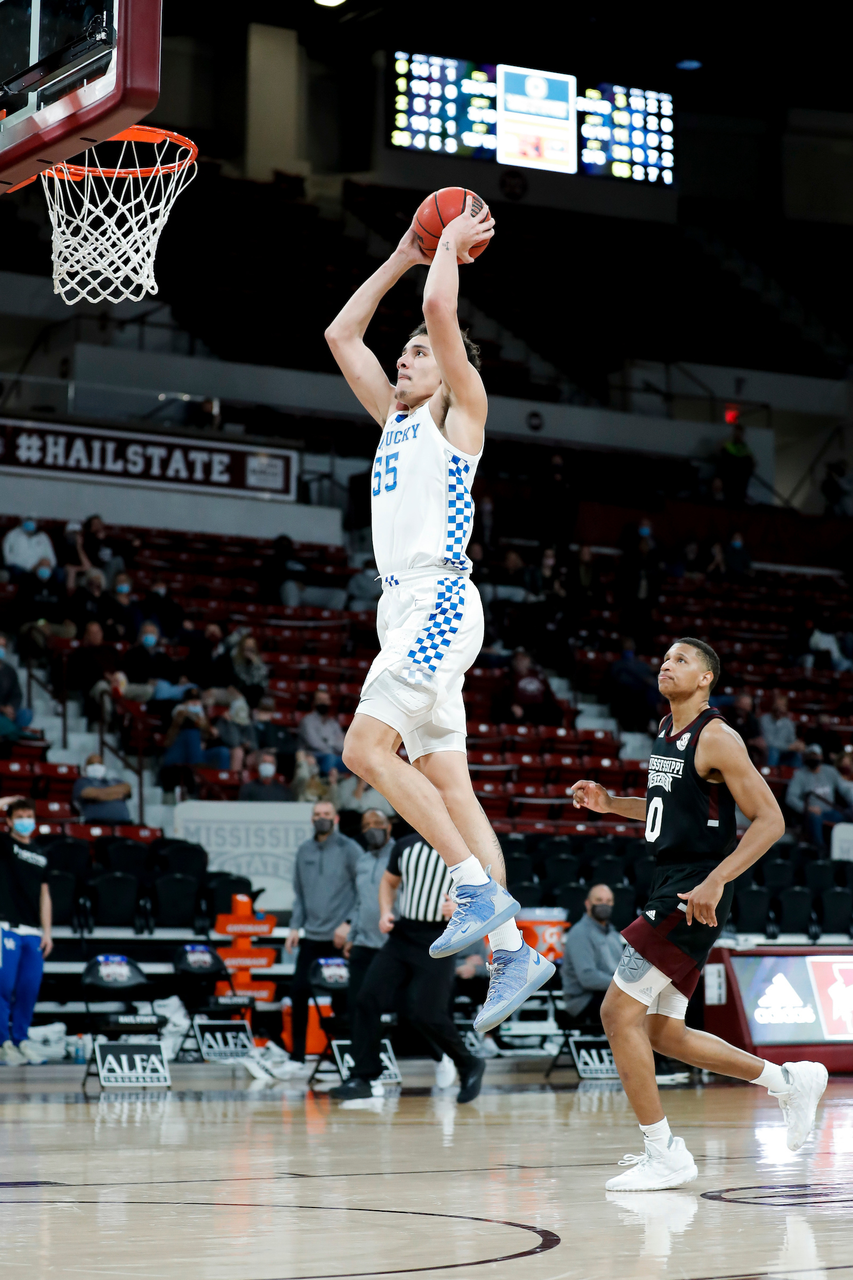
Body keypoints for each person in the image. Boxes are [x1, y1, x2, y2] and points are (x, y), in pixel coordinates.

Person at [325, 198, 553, 1035]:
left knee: (361, 749)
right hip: (407, 610)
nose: (407, 357)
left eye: (419, 354)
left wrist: (447, 250)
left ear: (450, 369)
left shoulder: (462, 414)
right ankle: (512, 953)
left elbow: (438, 311)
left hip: (438, 600)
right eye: (407, 356)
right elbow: (341, 338)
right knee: (452, 787)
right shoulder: (393, 422)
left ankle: (473, 890)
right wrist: (399, 256)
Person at [572, 637, 828, 1191]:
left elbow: (769, 820)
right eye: (663, 658)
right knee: (664, 1031)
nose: (667, 665)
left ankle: (663, 1152)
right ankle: (788, 1082)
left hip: (694, 889)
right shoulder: (666, 732)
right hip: (672, 880)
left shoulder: (718, 736)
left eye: (682, 660)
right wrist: (611, 804)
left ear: (707, 678)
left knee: (618, 1015)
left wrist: (715, 880)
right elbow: (671, 810)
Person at [330, 828, 486, 1104]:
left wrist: (461, 906)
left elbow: (489, 892)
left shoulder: (465, 848)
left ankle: (468, 1063)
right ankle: (363, 1076)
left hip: (440, 936)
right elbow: (388, 882)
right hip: (403, 935)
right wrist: (386, 910)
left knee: (427, 1013)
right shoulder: (404, 846)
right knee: (367, 999)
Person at [285, 800, 361, 1067]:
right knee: (298, 992)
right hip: (312, 937)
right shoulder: (304, 850)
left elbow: (364, 890)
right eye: (317, 814)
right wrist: (295, 926)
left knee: (343, 998)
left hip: (340, 939)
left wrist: (350, 923)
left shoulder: (350, 849)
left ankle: (340, 1056)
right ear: (311, 819)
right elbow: (299, 894)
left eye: (326, 814)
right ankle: (296, 1057)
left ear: (336, 818)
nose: (321, 818)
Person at [0, 798, 53, 1064]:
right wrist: (3, 802)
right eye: (18, 815)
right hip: (5, 926)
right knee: (2, 985)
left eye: (28, 815)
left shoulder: (41, 852)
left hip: (32, 931)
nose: (24, 820)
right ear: (8, 820)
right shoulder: (3, 843)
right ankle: (3, 1043)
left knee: (29, 988)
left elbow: (45, 894)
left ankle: (21, 1039)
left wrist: (47, 932)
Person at [340, 810, 395, 1013]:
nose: (371, 829)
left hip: (391, 946)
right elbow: (360, 902)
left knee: (389, 1006)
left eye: (376, 823)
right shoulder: (362, 861)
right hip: (362, 944)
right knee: (358, 1005)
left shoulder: (400, 857)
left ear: (388, 826)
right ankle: (361, 1046)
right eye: (366, 825)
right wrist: (352, 935)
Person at [561, 884, 624, 1028]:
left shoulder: (614, 935)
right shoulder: (580, 933)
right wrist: (623, 986)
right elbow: (588, 978)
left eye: (608, 901)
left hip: (609, 994)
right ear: (588, 904)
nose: (604, 905)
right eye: (599, 900)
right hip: (583, 1000)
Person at [786, 744, 853, 849]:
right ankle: (819, 850)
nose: (813, 759)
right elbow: (790, 798)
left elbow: (845, 789)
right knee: (815, 818)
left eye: (815, 756)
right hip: (812, 814)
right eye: (811, 756)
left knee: (849, 814)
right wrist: (807, 808)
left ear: (821, 757)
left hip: (831, 811)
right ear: (806, 758)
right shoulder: (800, 775)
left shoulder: (830, 771)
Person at [160, 690, 230, 771]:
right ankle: (197, 770)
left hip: (199, 754)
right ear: (185, 702)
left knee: (223, 752)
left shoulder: (203, 717)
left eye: (197, 700)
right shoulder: (179, 712)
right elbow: (185, 720)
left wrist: (211, 730)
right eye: (192, 700)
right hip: (180, 753)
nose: (195, 703)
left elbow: (209, 735)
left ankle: (221, 779)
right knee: (192, 732)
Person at [492, 648, 563, 726]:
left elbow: (549, 694)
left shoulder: (538, 674)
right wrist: (512, 705)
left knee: (556, 712)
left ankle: (551, 735)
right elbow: (500, 696)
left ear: (529, 660)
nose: (520, 661)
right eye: (517, 659)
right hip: (520, 708)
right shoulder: (508, 676)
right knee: (503, 713)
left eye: (523, 658)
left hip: (538, 708)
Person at [72, 752, 132, 824]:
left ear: (104, 767)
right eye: (92, 764)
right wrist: (117, 794)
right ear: (85, 768)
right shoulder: (82, 782)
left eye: (99, 763)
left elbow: (127, 788)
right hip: (97, 825)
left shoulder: (114, 781)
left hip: (124, 824)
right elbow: (89, 793)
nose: (96, 766)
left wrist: (101, 795)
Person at [297, 691, 346, 776]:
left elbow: (342, 744)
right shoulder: (307, 721)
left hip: (334, 756)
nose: (323, 703)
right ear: (314, 702)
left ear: (330, 702)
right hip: (314, 756)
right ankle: (324, 783)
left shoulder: (333, 723)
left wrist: (329, 742)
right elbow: (314, 743)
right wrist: (332, 744)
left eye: (326, 700)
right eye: (320, 700)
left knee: (354, 762)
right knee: (330, 757)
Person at [759, 694, 806, 769]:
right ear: (772, 706)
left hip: (784, 754)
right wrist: (788, 747)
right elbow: (769, 742)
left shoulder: (789, 723)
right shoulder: (764, 720)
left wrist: (798, 745)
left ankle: (795, 776)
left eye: (782, 706)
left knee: (797, 754)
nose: (779, 708)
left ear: (786, 708)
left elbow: (792, 741)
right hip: (769, 753)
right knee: (773, 751)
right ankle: (770, 775)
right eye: (777, 705)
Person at [0, 633, 32, 730]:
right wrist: (2, 709)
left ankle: (9, 731)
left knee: (26, 714)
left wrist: (11, 708)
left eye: (3, 646)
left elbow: (17, 694)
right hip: (2, 711)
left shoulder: (10, 671)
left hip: (6, 712)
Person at [725, 693, 766, 766]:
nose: (743, 708)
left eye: (747, 706)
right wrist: (750, 741)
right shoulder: (728, 716)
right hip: (730, 748)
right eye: (742, 705)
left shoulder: (752, 719)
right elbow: (728, 736)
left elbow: (756, 735)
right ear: (736, 704)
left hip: (748, 750)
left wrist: (758, 741)